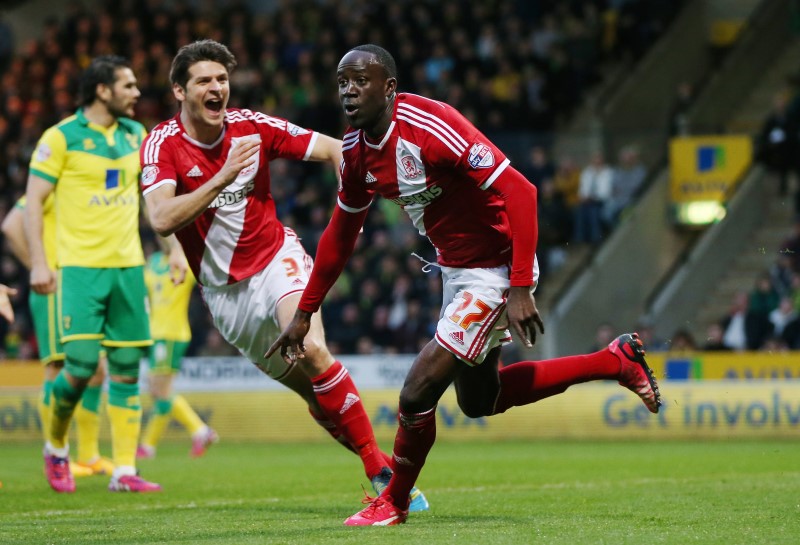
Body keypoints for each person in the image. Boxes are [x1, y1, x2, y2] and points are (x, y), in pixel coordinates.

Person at [268, 44, 663, 526]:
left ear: (389, 88)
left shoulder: (430, 125)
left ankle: (392, 503)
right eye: (342, 82)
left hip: (498, 269)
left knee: (416, 393)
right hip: (456, 272)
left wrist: (519, 287)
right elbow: (340, 235)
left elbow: (521, 190)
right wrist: (305, 311)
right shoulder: (354, 152)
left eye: (360, 80)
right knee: (481, 400)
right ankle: (615, 360)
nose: (349, 90)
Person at [139, 39, 428, 511]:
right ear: (179, 91)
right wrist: (221, 176)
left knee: (312, 350)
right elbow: (161, 218)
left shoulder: (253, 127)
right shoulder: (163, 145)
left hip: (277, 261)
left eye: (222, 79)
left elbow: (335, 149)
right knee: (315, 398)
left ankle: (384, 476)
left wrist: (352, 202)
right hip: (225, 297)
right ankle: (377, 463)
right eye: (204, 81)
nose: (217, 88)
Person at [25, 55, 162, 493]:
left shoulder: (135, 134)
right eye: (128, 86)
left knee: (125, 369)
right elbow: (31, 203)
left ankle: (124, 470)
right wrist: (40, 263)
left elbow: (150, 200)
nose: (137, 93)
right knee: (80, 367)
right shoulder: (61, 137)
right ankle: (56, 447)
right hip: (80, 269)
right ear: (103, 90)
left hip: (128, 266)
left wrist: (172, 249)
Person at [2, 199, 115, 478]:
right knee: (57, 367)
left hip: (81, 287)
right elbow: (11, 225)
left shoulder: (75, 187)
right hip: (56, 288)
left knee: (97, 370)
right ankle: (57, 453)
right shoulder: (47, 185)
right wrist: (39, 267)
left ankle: (89, 456)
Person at [137, 245, 218, 459]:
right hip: (156, 334)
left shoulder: (184, 261)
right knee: (159, 392)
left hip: (172, 333)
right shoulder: (153, 261)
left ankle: (200, 431)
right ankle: (148, 446)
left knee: (160, 391)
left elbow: (206, 275)